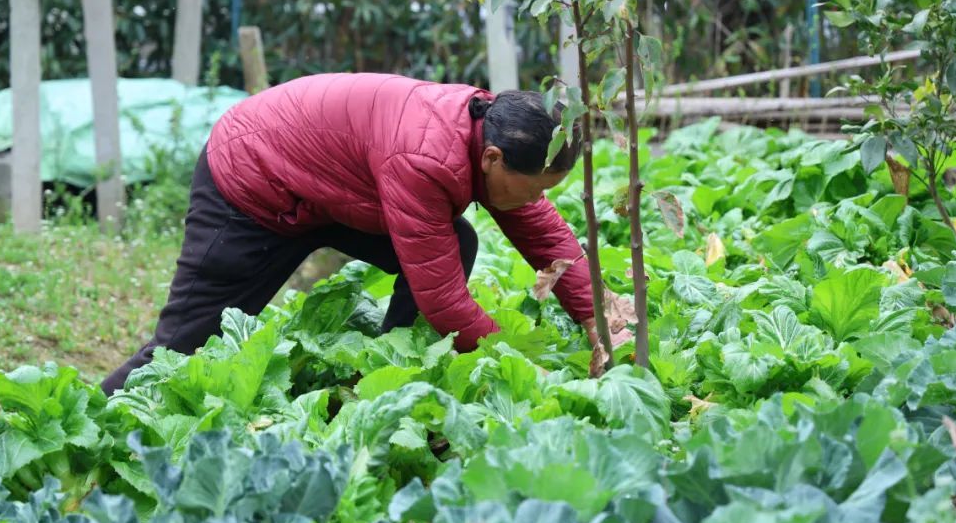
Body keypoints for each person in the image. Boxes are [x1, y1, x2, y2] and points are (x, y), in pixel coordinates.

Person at [102, 72, 630, 394]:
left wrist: (596, 318)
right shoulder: (426, 158)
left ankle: (383, 374)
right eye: (534, 188)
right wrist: (521, 369)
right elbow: (444, 300)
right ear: (492, 158)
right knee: (183, 346)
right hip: (253, 179)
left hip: (324, 185)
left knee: (458, 242)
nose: (535, 201)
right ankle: (106, 409)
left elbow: (541, 231)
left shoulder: (490, 129)